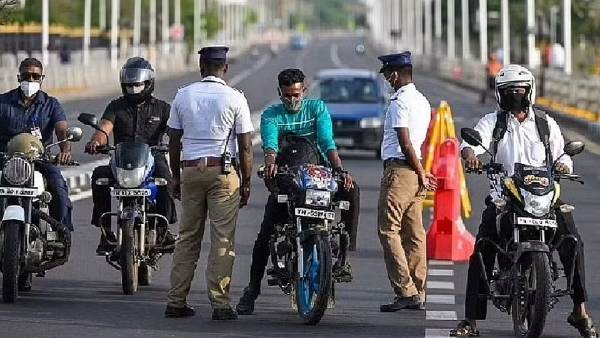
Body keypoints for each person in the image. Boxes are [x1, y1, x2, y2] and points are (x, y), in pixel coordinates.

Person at [451, 65, 597, 338]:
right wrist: (470, 154)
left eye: (519, 90)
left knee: (573, 243)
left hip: (544, 197)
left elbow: (562, 154)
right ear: (499, 94)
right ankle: (471, 320)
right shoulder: (492, 122)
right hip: (505, 198)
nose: (515, 95)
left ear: (529, 92)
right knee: (482, 248)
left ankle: (580, 311)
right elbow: (471, 142)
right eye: (509, 91)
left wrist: (564, 165)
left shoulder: (545, 124)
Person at [236, 68, 360, 316]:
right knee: (265, 235)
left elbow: (327, 141)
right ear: (279, 93)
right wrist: (270, 163)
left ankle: (345, 251)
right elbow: (270, 143)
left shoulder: (317, 109)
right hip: (288, 178)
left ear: (304, 91)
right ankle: (251, 291)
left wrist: (339, 170)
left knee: (352, 190)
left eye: (296, 95)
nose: (292, 100)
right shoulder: (272, 114)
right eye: (286, 96)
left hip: (320, 177)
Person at [165, 46, 254, 320]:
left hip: (191, 171)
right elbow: (246, 146)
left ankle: (176, 300)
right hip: (223, 173)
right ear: (225, 68)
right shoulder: (235, 98)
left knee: (188, 237)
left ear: (201, 66)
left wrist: (176, 177)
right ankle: (220, 304)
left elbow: (174, 141)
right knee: (222, 239)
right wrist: (247, 182)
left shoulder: (183, 95)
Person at [85, 57, 177, 255]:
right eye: (129, 86)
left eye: (137, 85)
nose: (133, 89)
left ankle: (163, 229)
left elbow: (173, 131)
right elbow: (104, 129)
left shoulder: (162, 108)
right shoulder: (116, 107)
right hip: (122, 159)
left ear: (148, 83)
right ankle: (106, 232)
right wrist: (96, 142)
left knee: (167, 181)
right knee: (99, 177)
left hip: (152, 158)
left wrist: (176, 141)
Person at [376, 51, 437, 312]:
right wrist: (421, 172)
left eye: (389, 75)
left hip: (401, 172)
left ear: (396, 74)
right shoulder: (422, 100)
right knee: (414, 234)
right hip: (414, 174)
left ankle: (405, 290)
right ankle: (419, 290)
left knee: (388, 230)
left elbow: (405, 141)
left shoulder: (400, 102)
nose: (388, 80)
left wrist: (421, 172)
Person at [0, 57, 73, 235]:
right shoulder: (3, 103)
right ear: (18, 78)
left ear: (42, 78)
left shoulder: (51, 105)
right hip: (6, 159)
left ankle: (61, 231)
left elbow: (62, 129)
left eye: (35, 76)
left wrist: (65, 151)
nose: (30, 80)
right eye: (26, 76)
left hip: (39, 160)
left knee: (57, 186)